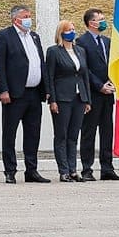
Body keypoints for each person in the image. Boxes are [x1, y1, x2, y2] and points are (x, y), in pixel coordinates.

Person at [0, 5, 48, 183]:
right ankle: (10, 170)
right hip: (14, 94)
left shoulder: (34, 37)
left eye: (29, 16)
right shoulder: (4, 36)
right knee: (10, 133)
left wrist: (45, 89)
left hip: (34, 93)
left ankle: (31, 170)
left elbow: (41, 63)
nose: (28, 19)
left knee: (33, 133)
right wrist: (3, 89)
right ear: (15, 19)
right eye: (25, 16)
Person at [76, 8, 119, 181]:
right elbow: (84, 68)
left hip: (108, 93)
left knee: (107, 131)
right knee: (89, 132)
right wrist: (99, 85)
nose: (103, 22)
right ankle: (87, 169)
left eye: (103, 19)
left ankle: (107, 167)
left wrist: (113, 83)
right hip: (92, 94)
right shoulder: (81, 42)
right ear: (90, 23)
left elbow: (113, 65)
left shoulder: (107, 42)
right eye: (100, 19)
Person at [44, 21, 91, 182]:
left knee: (73, 135)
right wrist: (52, 99)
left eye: (73, 29)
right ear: (61, 33)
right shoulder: (54, 52)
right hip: (62, 97)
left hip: (79, 98)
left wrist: (87, 99)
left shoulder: (80, 51)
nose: (72, 32)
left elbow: (84, 76)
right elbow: (49, 76)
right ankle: (63, 170)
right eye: (68, 30)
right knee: (61, 135)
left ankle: (72, 169)